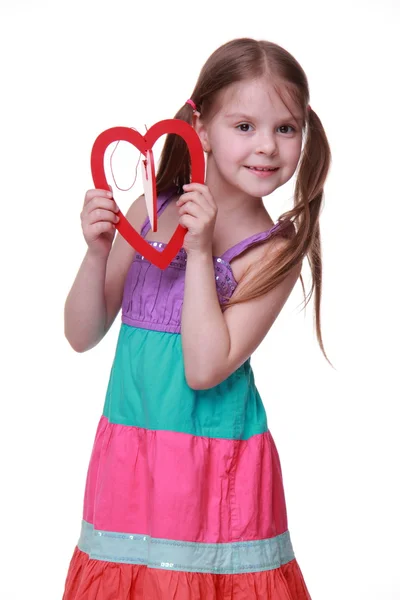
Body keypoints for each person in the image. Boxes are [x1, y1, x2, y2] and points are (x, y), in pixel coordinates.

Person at [62, 37, 331, 599]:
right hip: (131, 457)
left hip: (215, 468)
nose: (267, 147)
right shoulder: (152, 211)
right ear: (200, 129)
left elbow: (205, 368)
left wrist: (203, 250)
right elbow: (81, 334)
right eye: (244, 127)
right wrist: (95, 253)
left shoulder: (273, 251)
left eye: (286, 128)